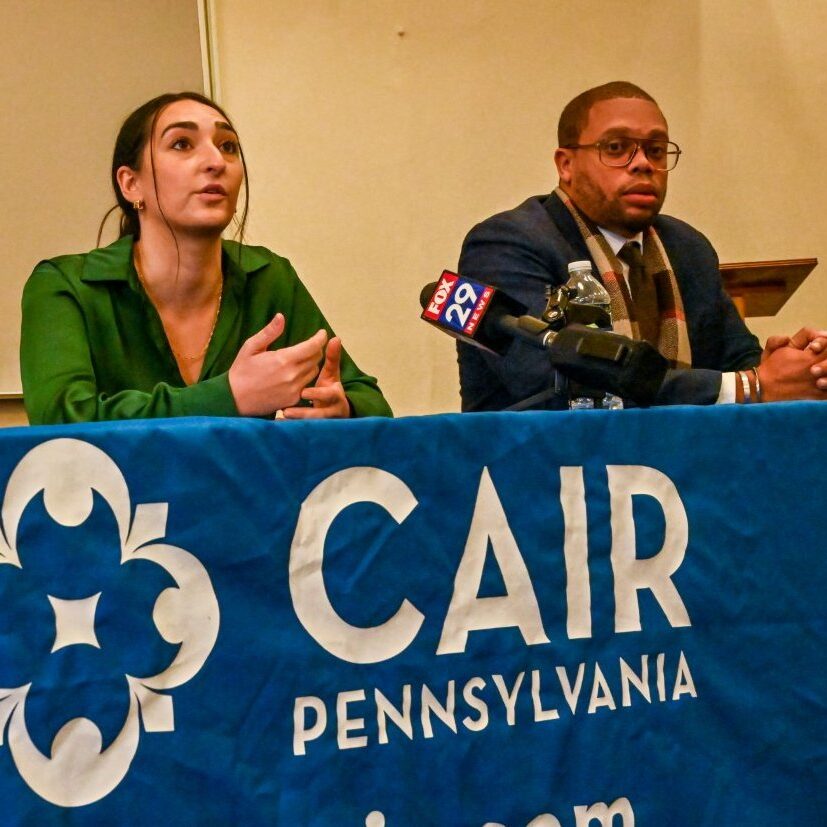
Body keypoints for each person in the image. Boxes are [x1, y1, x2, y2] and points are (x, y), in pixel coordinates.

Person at [20, 91, 392, 425]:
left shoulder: (267, 275)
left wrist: (340, 408)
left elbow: (371, 402)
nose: (216, 161)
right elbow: (62, 419)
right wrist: (229, 397)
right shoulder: (65, 284)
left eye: (228, 146)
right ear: (131, 184)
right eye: (182, 144)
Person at [456, 81, 827, 410]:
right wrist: (750, 385)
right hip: (534, 472)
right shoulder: (507, 244)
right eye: (616, 148)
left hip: (675, 471)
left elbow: (734, 359)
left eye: (655, 149)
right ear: (565, 164)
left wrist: (788, 366)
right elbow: (562, 386)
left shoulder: (687, 248)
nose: (642, 164)